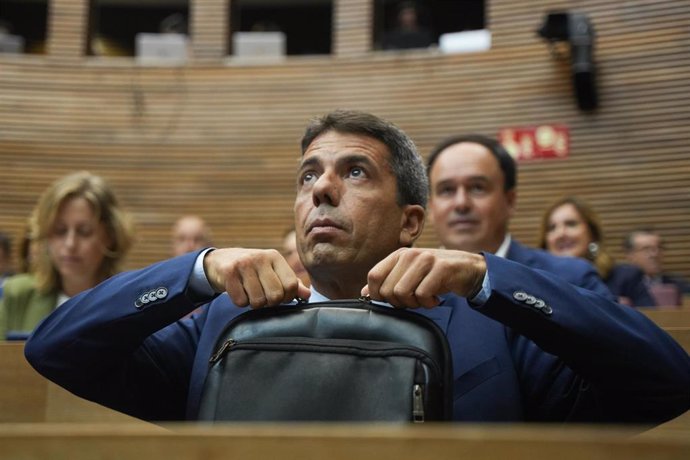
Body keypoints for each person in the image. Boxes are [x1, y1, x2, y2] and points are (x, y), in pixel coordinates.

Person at [25, 111, 690, 425]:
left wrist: (488, 278)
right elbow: (57, 350)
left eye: (354, 172)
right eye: (309, 174)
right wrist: (197, 268)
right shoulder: (224, 320)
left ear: (409, 221)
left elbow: (666, 384)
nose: (320, 189)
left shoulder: (497, 328)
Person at [426, 134, 613, 299]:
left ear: (510, 201)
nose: (461, 203)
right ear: (431, 207)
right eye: (447, 190)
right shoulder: (409, 291)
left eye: (477, 188)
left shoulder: (572, 278)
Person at [0, 171, 135, 339]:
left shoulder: (133, 302)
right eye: (60, 231)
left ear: (110, 236)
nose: (70, 244)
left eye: (84, 232)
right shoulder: (18, 294)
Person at [538, 196, 656, 307]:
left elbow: (652, 323)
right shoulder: (536, 282)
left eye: (571, 224)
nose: (560, 234)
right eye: (552, 228)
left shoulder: (626, 278)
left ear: (593, 234)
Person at [625, 228, 690, 306]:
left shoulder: (678, 285)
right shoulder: (621, 288)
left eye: (658, 248)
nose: (654, 254)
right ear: (630, 255)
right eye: (646, 249)